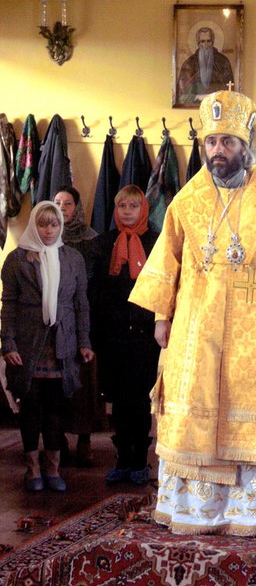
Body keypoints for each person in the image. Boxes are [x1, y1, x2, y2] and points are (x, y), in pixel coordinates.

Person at [129, 90, 256, 536]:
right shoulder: (186, 201)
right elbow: (167, 260)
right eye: (212, 142)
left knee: (246, 412)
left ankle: (248, 511)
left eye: (228, 142)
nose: (219, 151)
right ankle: (194, 511)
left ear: (243, 146)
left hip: (253, 330)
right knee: (193, 412)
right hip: (195, 329)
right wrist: (161, 317)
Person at [1, 201, 94, 492]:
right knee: (31, 407)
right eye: (42, 224)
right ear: (34, 226)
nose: (49, 230)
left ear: (60, 226)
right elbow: (8, 306)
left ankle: (53, 469)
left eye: (54, 224)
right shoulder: (16, 259)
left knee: (56, 408)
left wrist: (84, 341)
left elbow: (81, 304)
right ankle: (32, 469)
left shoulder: (73, 258)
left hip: (62, 344)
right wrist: (8, 344)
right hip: (28, 346)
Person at [89, 184, 160, 485]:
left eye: (133, 206)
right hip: (113, 335)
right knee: (119, 400)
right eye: (122, 206)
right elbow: (94, 291)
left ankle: (140, 460)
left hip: (145, 336)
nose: (127, 211)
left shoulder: (156, 241)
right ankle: (122, 459)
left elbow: (162, 287)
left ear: (143, 209)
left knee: (140, 399)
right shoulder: (103, 243)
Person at [54, 186, 103, 467]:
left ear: (77, 207)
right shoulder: (45, 236)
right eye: (57, 202)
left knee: (85, 383)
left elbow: (96, 282)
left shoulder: (91, 239)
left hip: (85, 319)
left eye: (68, 203)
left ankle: (84, 440)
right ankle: (57, 439)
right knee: (56, 381)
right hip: (56, 322)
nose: (62, 208)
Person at [176, 26, 234, 105]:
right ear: (198, 43)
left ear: (212, 42)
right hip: (194, 106)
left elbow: (230, 91)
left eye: (209, 41)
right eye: (202, 41)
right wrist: (198, 97)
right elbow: (181, 95)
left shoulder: (223, 61)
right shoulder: (189, 63)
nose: (206, 45)